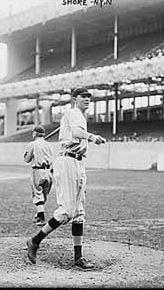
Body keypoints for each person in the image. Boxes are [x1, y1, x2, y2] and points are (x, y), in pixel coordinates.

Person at [26, 87, 106, 269]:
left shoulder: (77, 115)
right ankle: (35, 241)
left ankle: (78, 257)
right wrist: (92, 137)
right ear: (74, 99)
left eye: (89, 97)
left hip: (77, 162)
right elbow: (77, 133)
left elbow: (76, 132)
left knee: (79, 213)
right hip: (68, 160)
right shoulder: (74, 112)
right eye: (83, 96)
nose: (87, 99)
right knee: (66, 212)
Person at [23, 125, 54, 227]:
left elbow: (27, 160)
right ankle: (38, 214)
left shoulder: (32, 144)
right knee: (44, 195)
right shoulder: (48, 145)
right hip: (49, 171)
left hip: (38, 171)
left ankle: (41, 217)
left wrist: (27, 154)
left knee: (37, 194)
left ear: (35, 133)